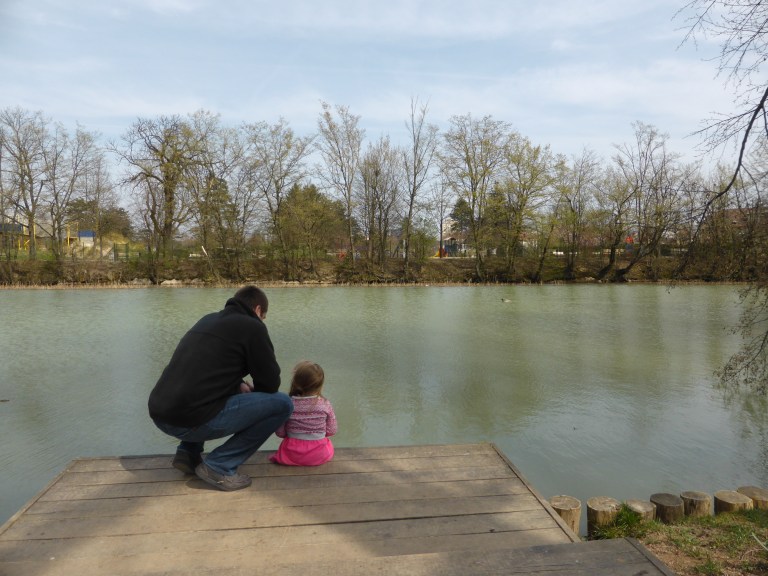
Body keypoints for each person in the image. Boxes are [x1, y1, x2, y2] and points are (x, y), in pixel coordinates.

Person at [148, 285, 293, 491]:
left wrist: (237, 384)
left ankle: (188, 454)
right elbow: (269, 384)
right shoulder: (253, 326)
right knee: (282, 404)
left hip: (161, 414)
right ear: (258, 310)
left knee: (205, 395)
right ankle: (220, 465)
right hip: (189, 421)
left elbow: (205, 371)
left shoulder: (208, 320)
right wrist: (251, 395)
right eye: (263, 317)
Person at [270, 361, 337, 466]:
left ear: (295, 382)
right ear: (320, 384)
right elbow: (332, 430)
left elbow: (280, 433)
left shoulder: (288, 404)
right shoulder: (325, 404)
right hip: (320, 454)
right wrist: (316, 435)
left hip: (292, 454)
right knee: (327, 444)